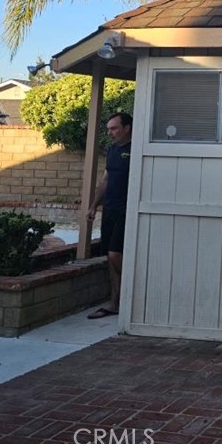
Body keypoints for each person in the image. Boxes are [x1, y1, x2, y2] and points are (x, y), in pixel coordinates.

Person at [86, 111, 132, 319]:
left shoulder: (137, 149)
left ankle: (131, 295)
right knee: (110, 257)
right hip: (110, 209)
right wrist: (94, 206)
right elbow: (105, 180)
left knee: (116, 254)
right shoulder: (113, 150)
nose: (111, 133)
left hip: (127, 209)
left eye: (114, 128)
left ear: (127, 128)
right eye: (109, 129)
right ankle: (115, 302)